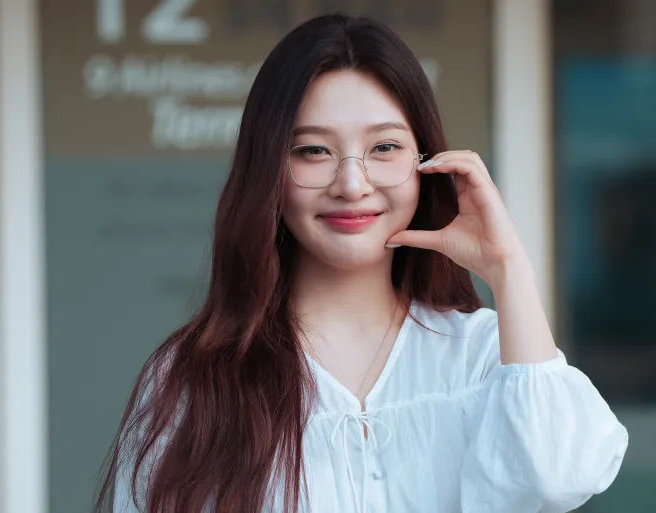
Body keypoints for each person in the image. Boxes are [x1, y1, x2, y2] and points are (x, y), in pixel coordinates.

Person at [95, 13, 628, 513]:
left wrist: (510, 270)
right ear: (268, 171)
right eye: (313, 151)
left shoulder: (485, 358)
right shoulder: (196, 378)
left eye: (385, 148)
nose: (352, 184)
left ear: (427, 164)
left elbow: (559, 477)